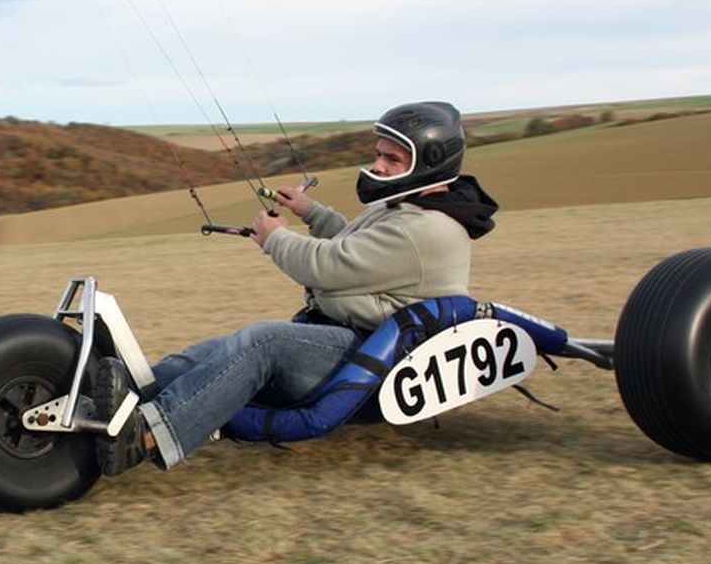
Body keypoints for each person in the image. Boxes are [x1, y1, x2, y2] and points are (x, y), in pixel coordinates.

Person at [91, 101, 499, 475]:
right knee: (211, 352)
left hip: (374, 362)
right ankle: (118, 401)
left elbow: (328, 266)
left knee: (264, 341)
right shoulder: (409, 211)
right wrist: (311, 212)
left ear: (430, 164)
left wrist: (275, 237)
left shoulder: (425, 228)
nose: (378, 165)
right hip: (353, 342)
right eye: (378, 154)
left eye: (392, 159)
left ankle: (147, 436)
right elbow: (359, 249)